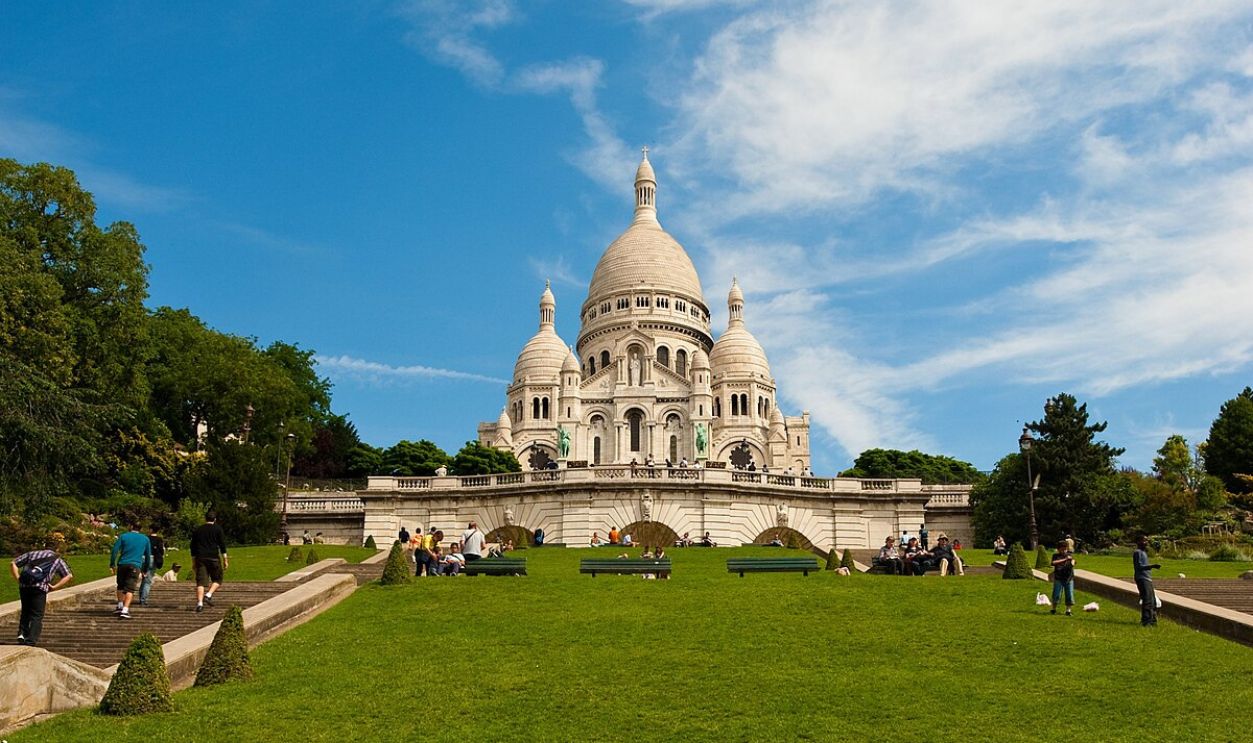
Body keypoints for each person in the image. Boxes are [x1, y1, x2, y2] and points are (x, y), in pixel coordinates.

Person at [11, 546, 73, 645]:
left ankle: (22, 633)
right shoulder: (57, 560)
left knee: (25, 610)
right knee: (37, 615)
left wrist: (18, 578)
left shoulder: (31, 554)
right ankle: (31, 640)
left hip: (24, 587)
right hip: (40, 588)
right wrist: (54, 587)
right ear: (55, 550)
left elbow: (13, 563)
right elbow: (68, 575)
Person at [109, 521, 152, 620]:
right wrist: (145, 569)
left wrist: (112, 563)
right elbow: (148, 555)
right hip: (135, 565)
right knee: (130, 588)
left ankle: (120, 605)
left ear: (131, 526)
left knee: (120, 585)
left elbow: (115, 550)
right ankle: (125, 609)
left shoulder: (124, 536)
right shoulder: (145, 539)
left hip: (122, 564)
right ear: (140, 529)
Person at [190, 511, 229, 613]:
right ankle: (208, 594)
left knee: (200, 582)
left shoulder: (198, 530)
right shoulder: (218, 529)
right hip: (213, 557)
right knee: (218, 579)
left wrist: (193, 561)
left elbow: (193, 547)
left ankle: (199, 603)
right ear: (215, 519)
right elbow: (222, 545)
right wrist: (225, 559)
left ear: (205, 518)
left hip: (200, 557)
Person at [1133, 535, 1162, 627]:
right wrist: (1152, 566)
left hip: (1147, 579)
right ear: (1138, 542)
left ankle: (1152, 620)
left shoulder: (1144, 553)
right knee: (1147, 600)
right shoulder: (1137, 553)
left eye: (1147, 541)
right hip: (1142, 578)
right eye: (1144, 541)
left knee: (1153, 601)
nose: (1146, 543)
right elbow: (1139, 567)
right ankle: (1146, 621)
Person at [139, 528, 166, 606]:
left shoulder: (145, 538)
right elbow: (161, 550)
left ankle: (141, 596)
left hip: (143, 558)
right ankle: (143, 599)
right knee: (148, 581)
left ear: (150, 530)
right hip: (152, 558)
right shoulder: (159, 539)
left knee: (144, 578)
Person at [1050, 541, 1076, 616]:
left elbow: (1073, 561)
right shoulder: (1055, 556)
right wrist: (1065, 559)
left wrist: (1072, 562)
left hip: (1068, 578)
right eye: (1062, 549)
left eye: (1065, 549)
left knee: (1069, 594)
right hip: (1059, 578)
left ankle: (1068, 610)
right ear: (1058, 549)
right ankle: (1053, 609)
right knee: (1056, 594)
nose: (1064, 550)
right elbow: (1053, 563)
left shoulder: (1069, 555)